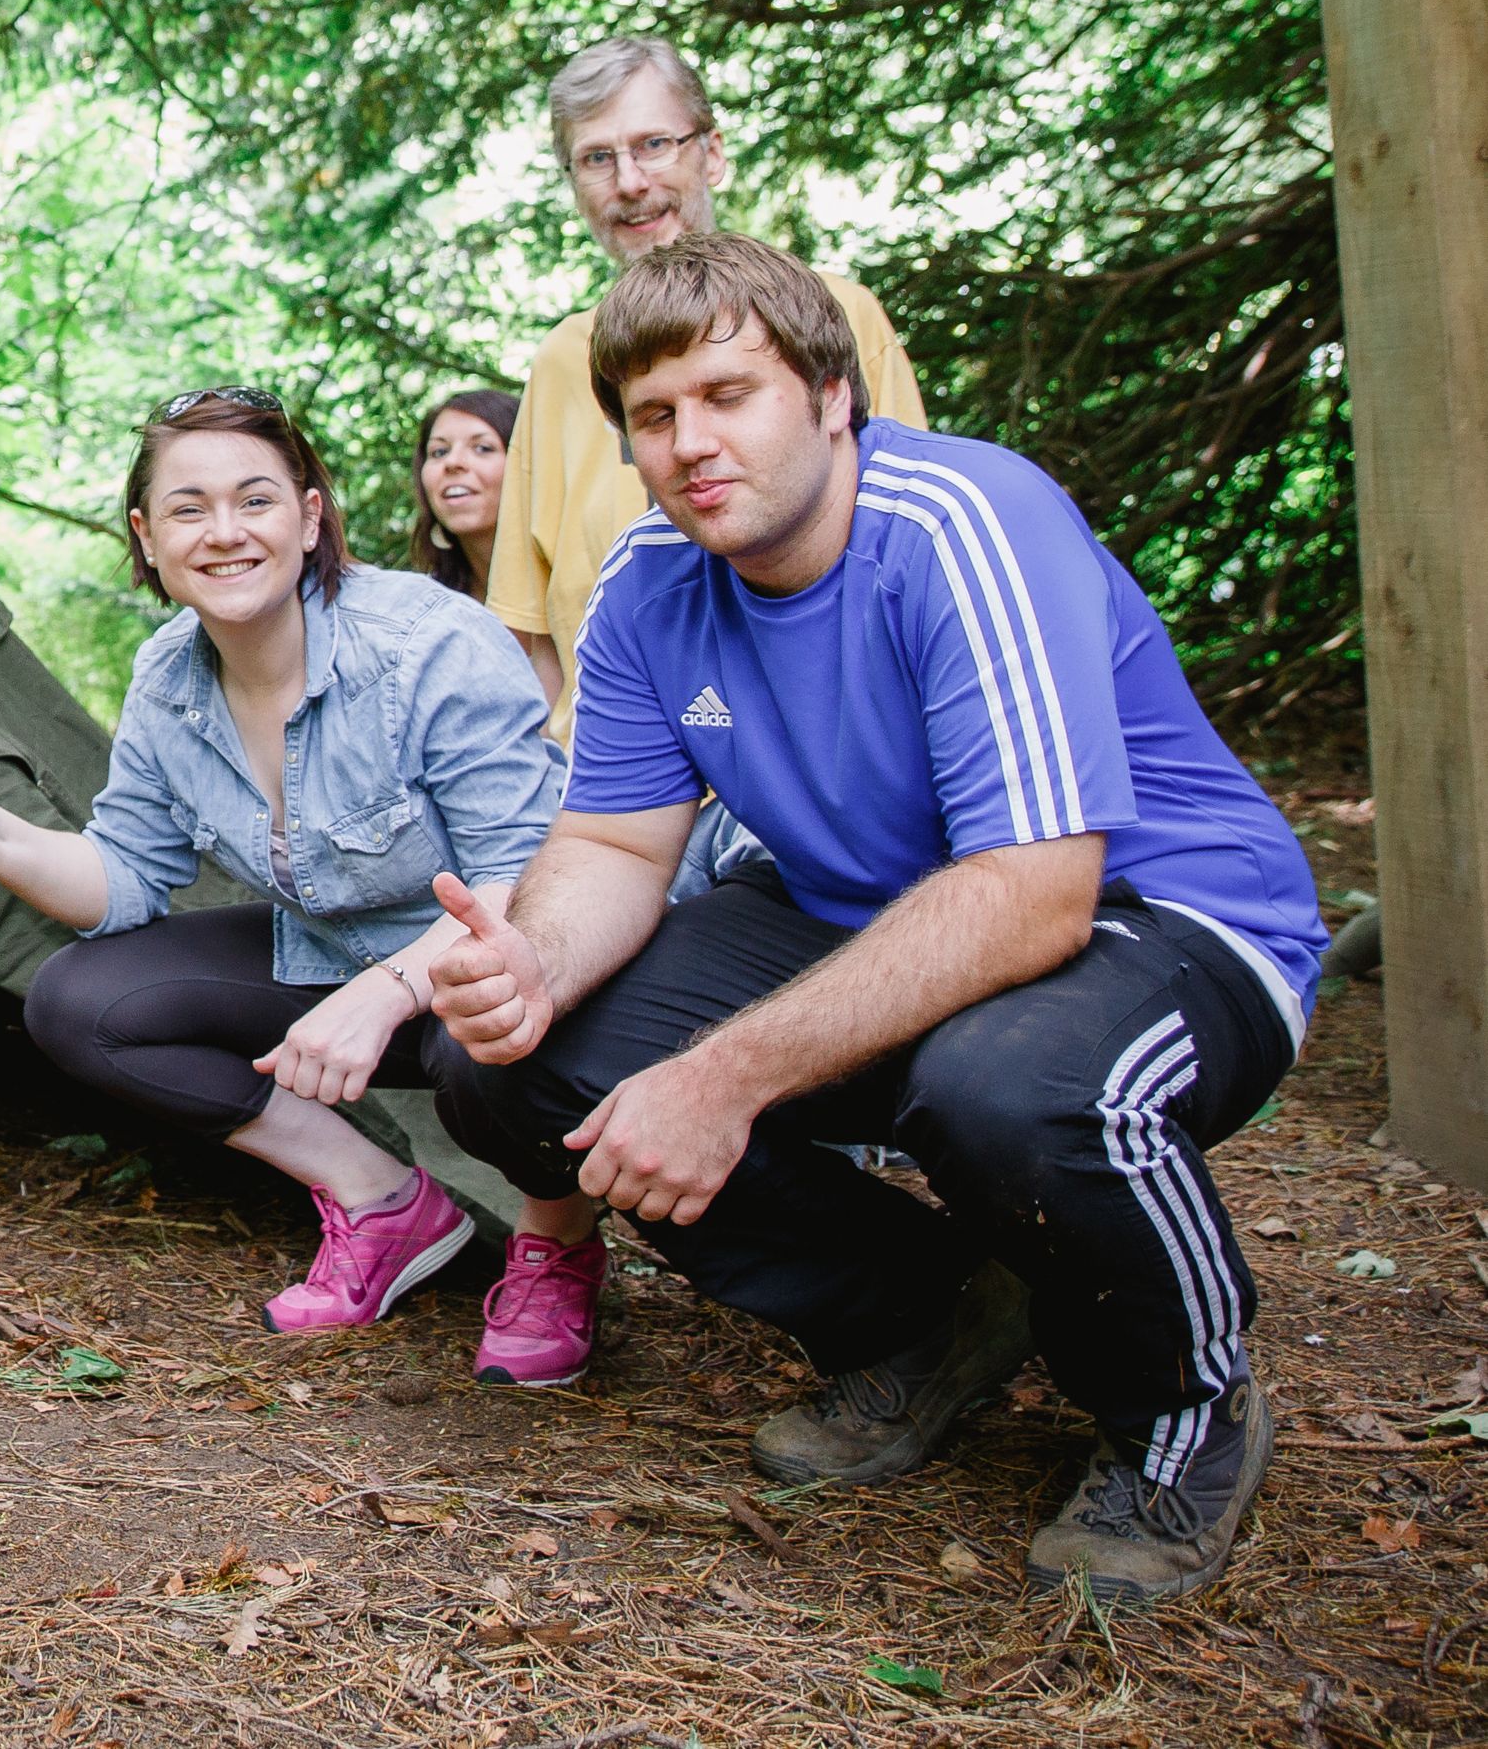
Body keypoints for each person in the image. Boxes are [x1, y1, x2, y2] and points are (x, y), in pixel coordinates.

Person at [420, 236, 1326, 1605]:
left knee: (1006, 1087)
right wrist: (531, 963)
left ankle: (1183, 1406)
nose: (691, 440)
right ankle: (932, 1310)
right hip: (858, 905)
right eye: (654, 415)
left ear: (833, 395)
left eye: (731, 392)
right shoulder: (650, 583)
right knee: (504, 1064)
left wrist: (724, 1074)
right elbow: (613, 837)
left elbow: (1034, 889)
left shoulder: (964, 521)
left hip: (1169, 913)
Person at [0, 387, 608, 1386]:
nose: (223, 533)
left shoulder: (425, 645)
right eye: (188, 509)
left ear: (310, 515)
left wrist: (390, 991)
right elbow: (122, 879)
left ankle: (555, 1241)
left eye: (256, 501)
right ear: (147, 538)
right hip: (326, 962)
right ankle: (381, 1202)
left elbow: (531, 875)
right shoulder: (168, 680)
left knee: (482, 1038)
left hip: (490, 962)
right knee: (81, 1003)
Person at [485, 37, 925, 737]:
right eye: (598, 158)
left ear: (711, 152)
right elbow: (528, 634)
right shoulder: (565, 361)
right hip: (616, 784)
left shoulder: (833, 314)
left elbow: (916, 563)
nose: (630, 181)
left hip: (818, 768)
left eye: (654, 143)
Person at [408, 388, 519, 599]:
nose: (452, 462)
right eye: (439, 452)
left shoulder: (583, 582)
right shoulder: (425, 608)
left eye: (483, 448)